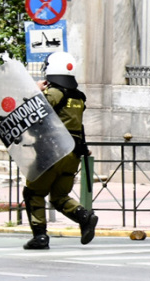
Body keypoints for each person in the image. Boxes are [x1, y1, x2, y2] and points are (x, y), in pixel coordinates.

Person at [22, 52, 98, 249]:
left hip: (52, 152)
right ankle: (84, 217)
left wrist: (34, 90)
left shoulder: (54, 93)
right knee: (59, 196)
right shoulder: (79, 97)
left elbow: (34, 113)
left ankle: (40, 236)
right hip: (72, 154)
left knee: (33, 192)